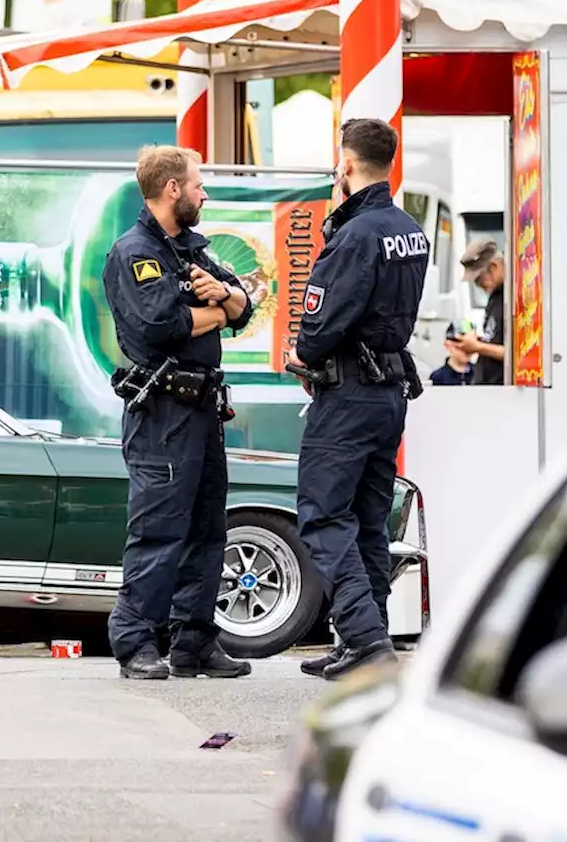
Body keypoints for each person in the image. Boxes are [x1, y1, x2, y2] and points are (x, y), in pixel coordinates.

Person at [101, 144, 255, 680]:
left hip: (204, 408)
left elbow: (246, 307)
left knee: (208, 530)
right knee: (160, 529)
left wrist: (226, 297)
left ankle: (194, 642)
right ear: (172, 189)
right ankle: (135, 638)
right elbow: (161, 326)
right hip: (163, 412)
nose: (203, 193)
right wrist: (220, 307)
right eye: (197, 184)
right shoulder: (135, 252)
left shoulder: (190, 248)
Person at [286, 118, 426, 681]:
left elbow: (318, 329)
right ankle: (361, 643)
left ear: (345, 163)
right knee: (368, 521)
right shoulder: (408, 228)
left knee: (321, 515)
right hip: (389, 392)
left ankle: (364, 638)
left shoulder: (355, 234)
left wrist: (306, 354)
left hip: (347, 395)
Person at [453, 238, 507, 385]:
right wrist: (475, 341)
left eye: (478, 279)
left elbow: (517, 355)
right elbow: (495, 339)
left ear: (494, 266)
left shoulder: (513, 300)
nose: (478, 286)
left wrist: (478, 347)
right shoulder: (495, 297)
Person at [429, 321, 475, 385]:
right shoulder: (438, 377)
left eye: (471, 345)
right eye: (460, 344)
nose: (466, 349)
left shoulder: (480, 373)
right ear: (447, 345)